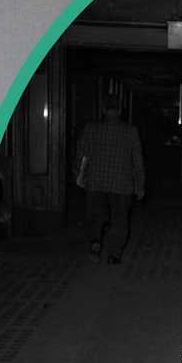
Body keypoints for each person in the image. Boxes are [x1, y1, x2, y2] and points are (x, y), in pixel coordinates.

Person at [74, 99, 145, 264]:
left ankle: (95, 242)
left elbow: (82, 155)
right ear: (120, 111)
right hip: (122, 184)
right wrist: (140, 185)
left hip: (95, 181)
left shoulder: (91, 128)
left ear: (103, 110)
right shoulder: (130, 131)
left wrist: (79, 175)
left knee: (95, 215)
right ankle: (114, 254)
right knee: (120, 220)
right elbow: (137, 160)